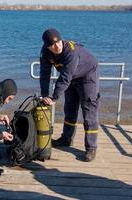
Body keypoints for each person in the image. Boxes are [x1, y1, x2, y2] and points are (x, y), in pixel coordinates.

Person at [39, 28, 100, 162]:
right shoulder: (45, 53)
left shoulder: (70, 52)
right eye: (53, 45)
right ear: (47, 46)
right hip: (72, 78)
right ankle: (66, 139)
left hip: (87, 75)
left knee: (89, 110)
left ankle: (91, 147)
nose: (57, 46)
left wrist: (54, 97)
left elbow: (65, 77)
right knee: (70, 108)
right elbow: (44, 75)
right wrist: (45, 95)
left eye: (59, 42)